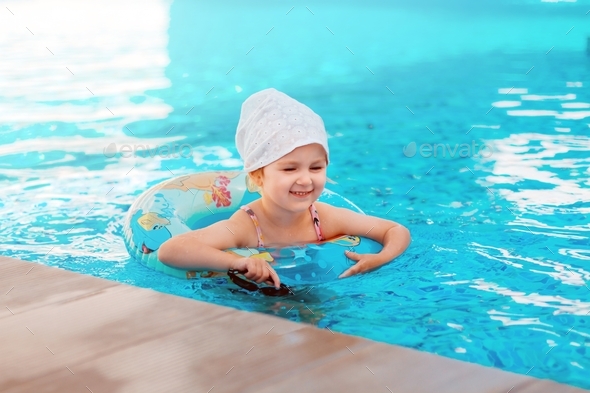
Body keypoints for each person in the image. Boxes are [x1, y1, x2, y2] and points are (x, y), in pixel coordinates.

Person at [158, 88, 410, 288]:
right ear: (258, 176)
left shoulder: (325, 218)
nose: (305, 180)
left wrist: (379, 258)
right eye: (290, 169)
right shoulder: (246, 226)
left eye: (316, 168)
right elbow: (171, 250)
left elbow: (395, 230)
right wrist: (238, 262)